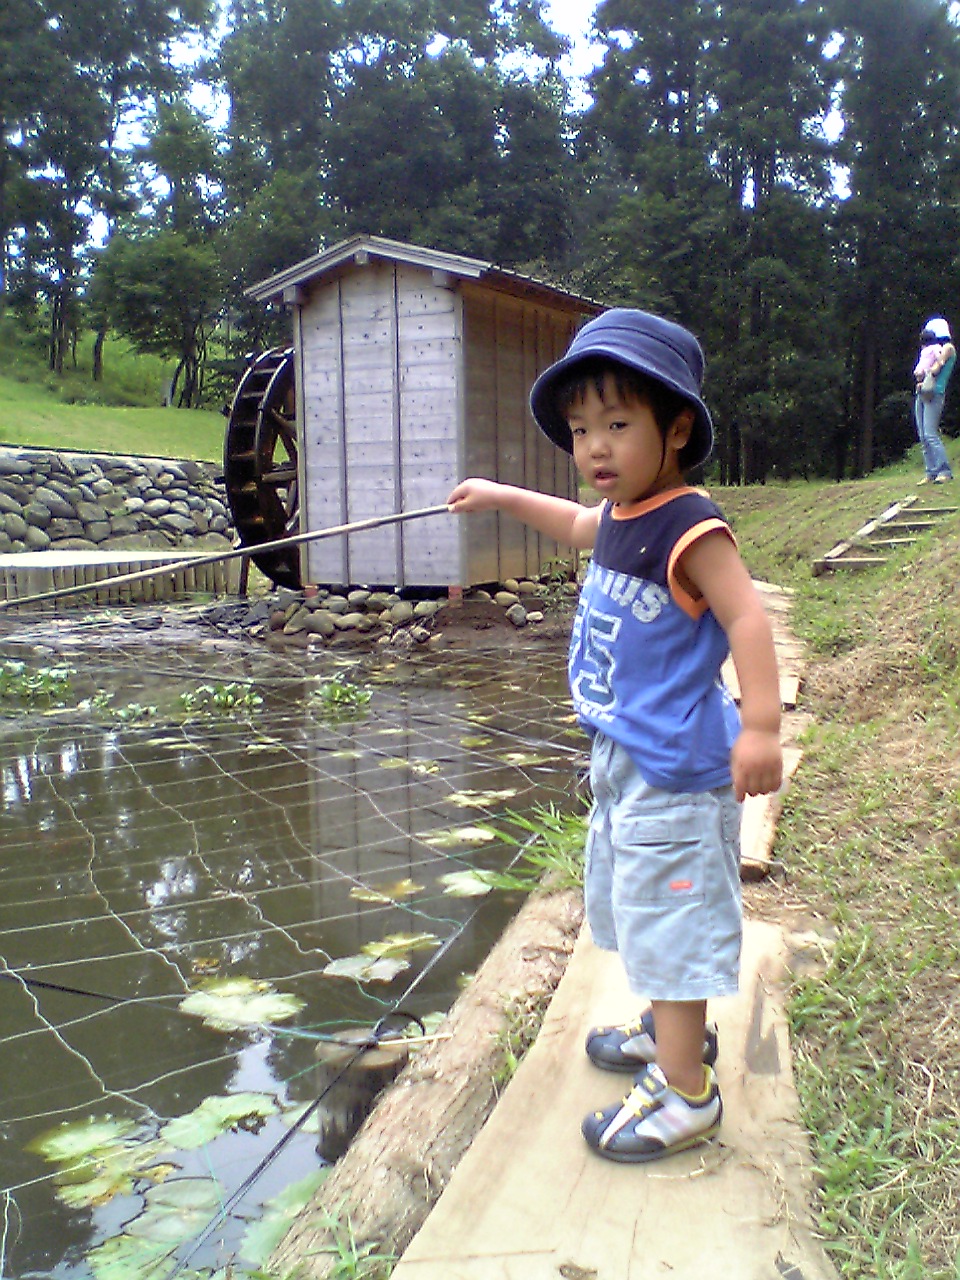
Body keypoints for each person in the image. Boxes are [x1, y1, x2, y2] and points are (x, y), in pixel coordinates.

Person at [447, 309, 783, 1164]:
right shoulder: (622, 514)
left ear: (677, 429)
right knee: (643, 909)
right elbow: (570, 524)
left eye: (618, 425)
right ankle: (672, 1032)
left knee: (672, 925)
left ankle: (687, 1093)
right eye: (580, 430)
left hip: (677, 771)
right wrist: (497, 495)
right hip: (627, 760)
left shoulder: (690, 526)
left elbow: (748, 618)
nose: (595, 447)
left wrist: (760, 727)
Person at [913, 316, 955, 484]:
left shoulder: (948, 348)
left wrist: (928, 367)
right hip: (924, 391)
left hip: (935, 393)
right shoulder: (935, 349)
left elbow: (937, 368)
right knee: (923, 435)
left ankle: (944, 471)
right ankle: (931, 472)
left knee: (930, 434)